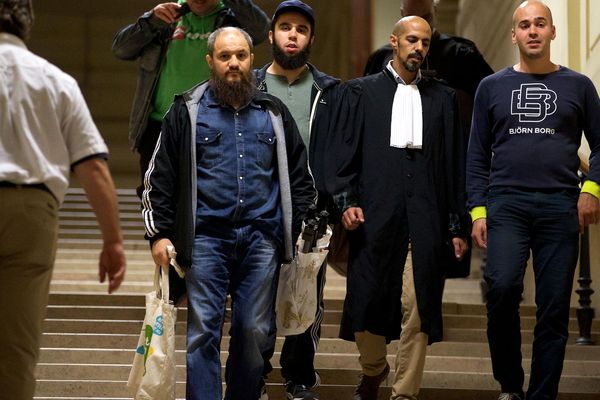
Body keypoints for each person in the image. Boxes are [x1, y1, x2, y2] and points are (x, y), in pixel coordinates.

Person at [141, 26, 315, 400]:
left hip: (261, 241)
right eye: (224, 56)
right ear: (211, 61)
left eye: (240, 55)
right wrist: (159, 234)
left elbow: (301, 179)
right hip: (206, 240)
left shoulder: (273, 113)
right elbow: (159, 178)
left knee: (254, 331)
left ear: (252, 59)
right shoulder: (186, 110)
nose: (233, 63)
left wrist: (297, 230)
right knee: (203, 331)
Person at [467, 1, 600, 399]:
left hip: (561, 206)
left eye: (540, 23)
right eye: (524, 25)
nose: (532, 31)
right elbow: (476, 155)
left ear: (552, 32)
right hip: (506, 204)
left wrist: (591, 190)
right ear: (514, 35)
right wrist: (477, 210)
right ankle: (510, 385)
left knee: (554, 308)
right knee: (503, 289)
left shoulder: (579, 86)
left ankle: (542, 394)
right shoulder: (491, 87)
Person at [331, 16, 469, 400]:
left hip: (426, 218)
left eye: (425, 42)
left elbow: (454, 165)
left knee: (419, 306)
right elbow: (343, 158)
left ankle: (404, 393)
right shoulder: (359, 93)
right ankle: (374, 369)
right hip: (373, 216)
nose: (419, 48)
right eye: (412, 40)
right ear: (394, 41)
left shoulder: (443, 99)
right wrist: (346, 202)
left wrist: (457, 225)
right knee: (365, 308)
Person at [0, 1, 127, 399]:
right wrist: (113, 241)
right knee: (18, 347)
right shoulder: (56, 80)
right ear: (28, 26)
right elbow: (92, 167)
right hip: (32, 212)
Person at [253, 2, 340, 399]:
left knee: (306, 296)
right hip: (257, 205)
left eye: (301, 29)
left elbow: (341, 151)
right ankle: (252, 371)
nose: (292, 34)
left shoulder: (330, 90)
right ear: (271, 35)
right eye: (284, 27)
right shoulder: (249, 86)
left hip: (312, 211)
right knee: (256, 296)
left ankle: (299, 377)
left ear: (310, 39)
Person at [111, 0, 269, 195]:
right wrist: (150, 21)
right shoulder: (165, 18)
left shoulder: (231, 18)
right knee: (156, 197)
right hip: (159, 126)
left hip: (216, 126)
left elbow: (262, 30)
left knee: (215, 197)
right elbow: (121, 49)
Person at [363, 0, 493, 136]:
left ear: (435, 12)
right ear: (402, 14)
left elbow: (490, 99)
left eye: (426, 18)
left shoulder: (462, 53)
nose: (419, 27)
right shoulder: (380, 58)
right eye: (412, 18)